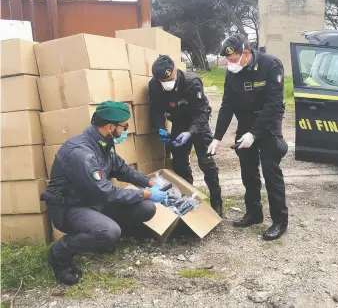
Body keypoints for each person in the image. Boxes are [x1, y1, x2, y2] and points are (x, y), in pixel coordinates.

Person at [41, 101, 168, 285]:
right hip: (70, 208)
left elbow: (124, 170)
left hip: (94, 201)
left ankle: (101, 241)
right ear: (110, 127)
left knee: (146, 209)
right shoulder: (82, 153)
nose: (126, 130)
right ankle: (60, 254)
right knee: (109, 231)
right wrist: (145, 193)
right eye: (124, 126)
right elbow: (106, 193)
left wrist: (150, 183)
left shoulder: (103, 144)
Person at [207, 34, 289, 241]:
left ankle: (279, 221)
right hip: (245, 121)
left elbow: (274, 104)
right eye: (227, 60)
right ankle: (254, 214)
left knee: (271, 170)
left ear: (245, 53)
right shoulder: (232, 73)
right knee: (248, 170)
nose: (229, 63)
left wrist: (254, 134)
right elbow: (227, 106)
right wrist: (217, 137)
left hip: (269, 121)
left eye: (233, 59)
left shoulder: (271, 65)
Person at [148, 55, 223, 216]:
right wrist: (161, 127)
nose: (165, 83)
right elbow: (156, 110)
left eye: (168, 78)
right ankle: (188, 198)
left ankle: (217, 202)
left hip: (198, 123)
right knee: (180, 163)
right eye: (161, 80)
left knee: (206, 163)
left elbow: (202, 112)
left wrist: (190, 132)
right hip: (178, 123)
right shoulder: (154, 85)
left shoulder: (191, 82)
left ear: (175, 70)